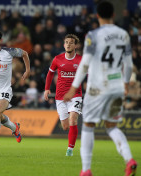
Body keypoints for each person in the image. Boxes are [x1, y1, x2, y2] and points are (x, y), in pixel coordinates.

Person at [63, 2, 138, 176]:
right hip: (117, 86)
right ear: (113, 14)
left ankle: (86, 170)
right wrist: (125, 84)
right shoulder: (124, 35)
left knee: (88, 126)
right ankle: (129, 160)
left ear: (97, 16)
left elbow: (85, 63)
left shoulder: (93, 35)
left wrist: (74, 87)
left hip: (97, 88)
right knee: (112, 127)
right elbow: (128, 64)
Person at [44, 34, 82, 157]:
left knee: (73, 119)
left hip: (75, 95)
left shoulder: (81, 60)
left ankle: (70, 150)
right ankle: (70, 145)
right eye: (66, 42)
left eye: (71, 42)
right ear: (63, 44)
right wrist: (46, 89)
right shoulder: (57, 59)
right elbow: (50, 74)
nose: (68, 44)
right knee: (65, 126)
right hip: (60, 96)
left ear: (75, 45)